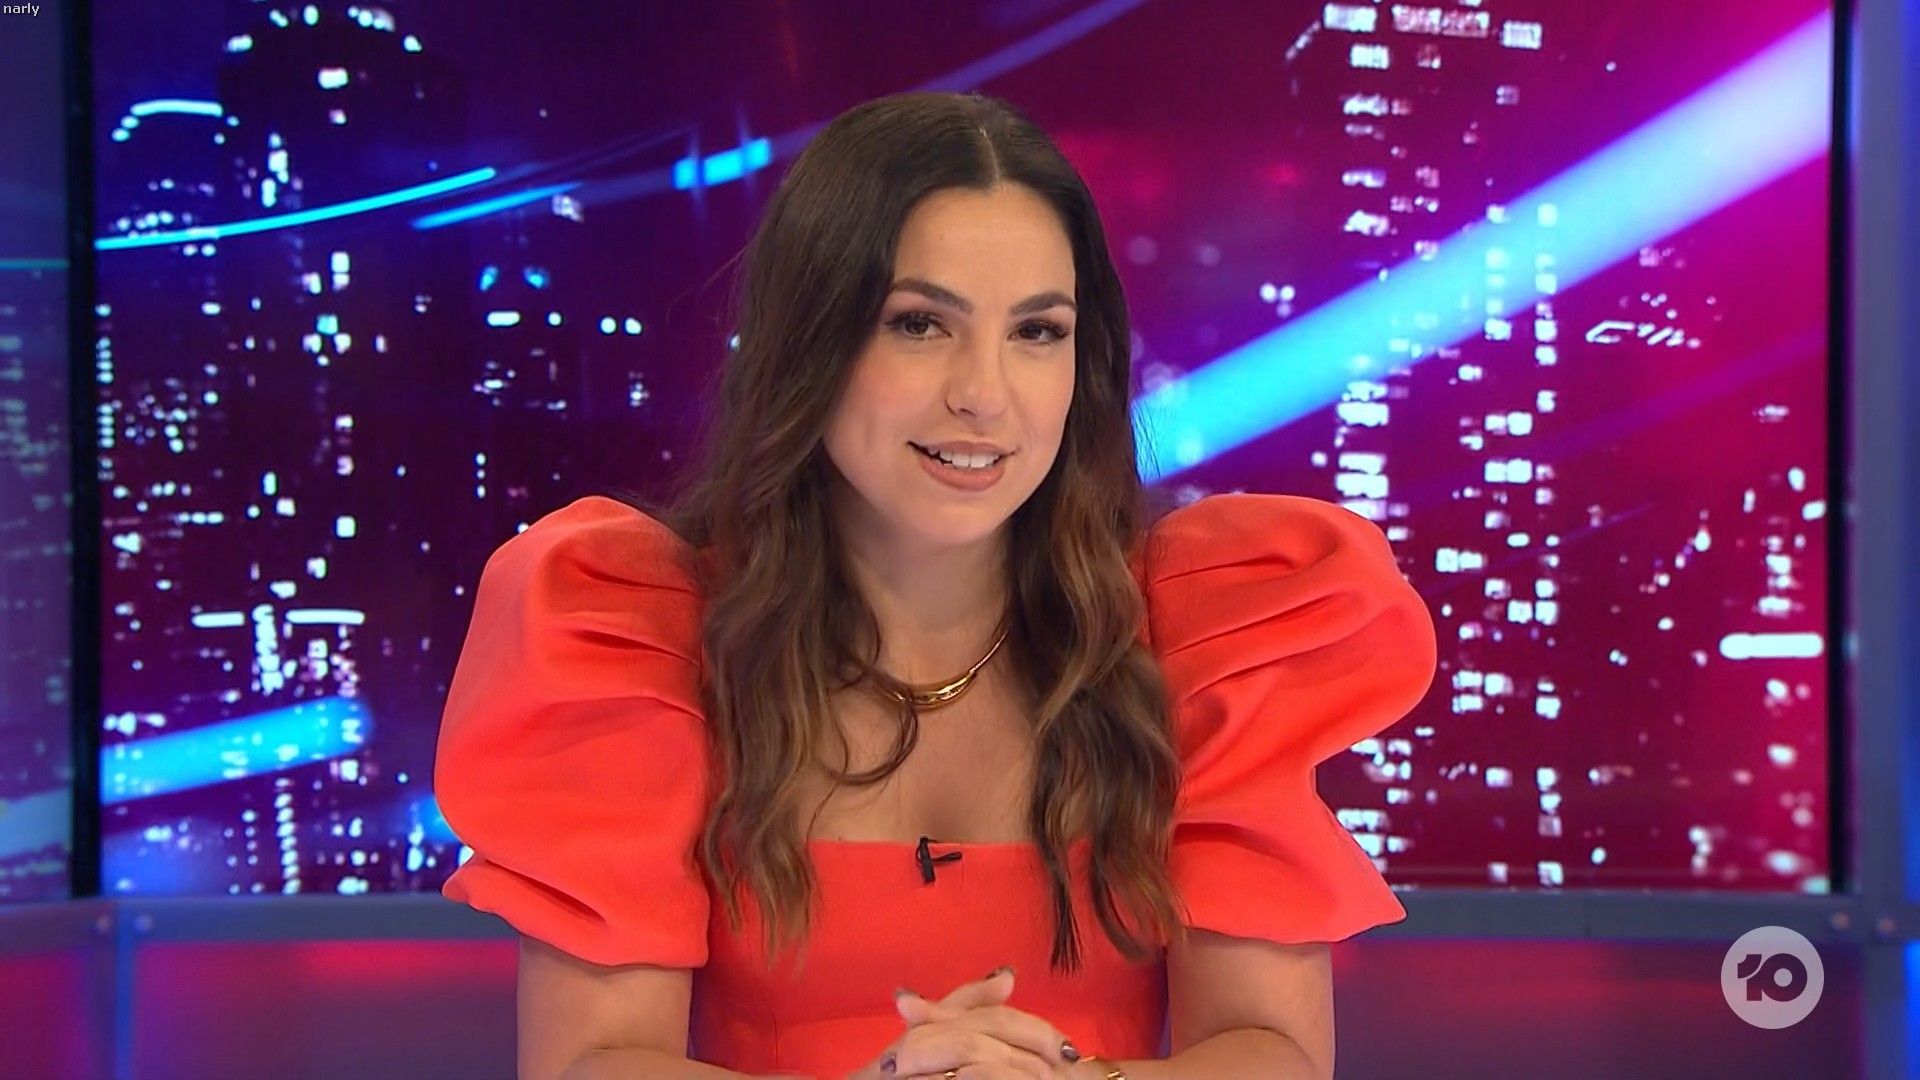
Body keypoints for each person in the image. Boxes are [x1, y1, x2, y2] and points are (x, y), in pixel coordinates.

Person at [434, 90, 1437, 1080]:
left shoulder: (1200, 635)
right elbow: (593, 1060)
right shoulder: (641, 640)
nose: (984, 395)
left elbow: (1274, 1051)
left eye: (1037, 332)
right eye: (920, 325)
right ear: (810, 341)